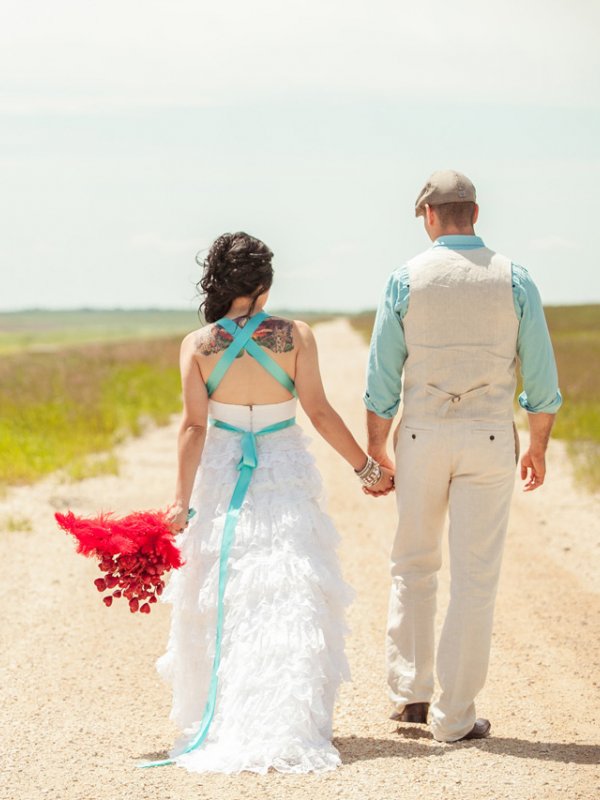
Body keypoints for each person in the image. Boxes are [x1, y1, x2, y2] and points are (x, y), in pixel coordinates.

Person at [142, 231, 393, 774]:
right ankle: (289, 715)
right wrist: (366, 469)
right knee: (291, 585)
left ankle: (230, 712)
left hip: (221, 473)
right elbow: (320, 411)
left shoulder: (198, 344)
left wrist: (181, 500)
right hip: (284, 468)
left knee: (226, 589)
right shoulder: (295, 334)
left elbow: (193, 427)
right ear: (262, 284)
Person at [364, 170, 562, 743]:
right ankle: (454, 718)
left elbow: (382, 376)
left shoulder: (405, 279)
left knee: (413, 563)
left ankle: (410, 696)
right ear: (475, 214)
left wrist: (378, 446)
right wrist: (540, 446)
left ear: (429, 216)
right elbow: (541, 375)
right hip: (490, 438)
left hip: (422, 434)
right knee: (475, 578)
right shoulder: (515, 278)